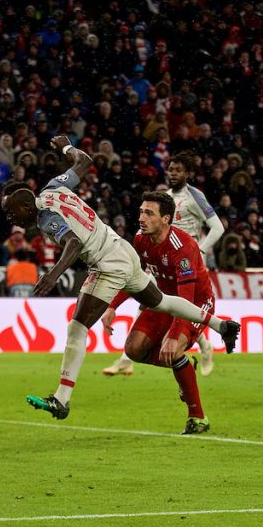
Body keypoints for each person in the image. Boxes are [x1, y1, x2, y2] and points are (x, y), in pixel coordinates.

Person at [0, 136, 240, 420]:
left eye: (11, 212)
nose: (11, 219)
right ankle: (221, 325)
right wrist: (66, 147)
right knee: (161, 301)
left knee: (77, 327)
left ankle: (62, 399)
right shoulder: (54, 186)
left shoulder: (45, 216)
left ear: (26, 206)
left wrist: (52, 275)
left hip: (106, 263)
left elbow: (73, 243)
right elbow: (84, 161)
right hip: (121, 249)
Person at [102, 152, 225, 377]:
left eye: (178, 170)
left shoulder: (195, 196)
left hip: (188, 262)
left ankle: (198, 348)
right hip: (161, 257)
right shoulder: (163, 199)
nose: (173, 173)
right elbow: (132, 273)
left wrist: (200, 249)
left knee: (179, 308)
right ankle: (131, 358)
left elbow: (218, 227)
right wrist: (112, 305)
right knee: (147, 301)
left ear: (188, 173)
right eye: (170, 169)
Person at [100, 193, 214, 434]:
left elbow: (186, 299)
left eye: (148, 213)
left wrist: (174, 334)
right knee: (133, 349)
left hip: (196, 304)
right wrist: (112, 306)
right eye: (141, 212)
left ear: (166, 219)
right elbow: (134, 277)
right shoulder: (140, 240)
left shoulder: (182, 246)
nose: (141, 218)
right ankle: (185, 367)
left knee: (172, 349)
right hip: (164, 300)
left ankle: (198, 417)